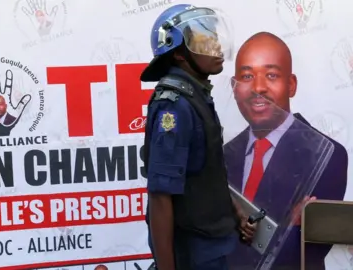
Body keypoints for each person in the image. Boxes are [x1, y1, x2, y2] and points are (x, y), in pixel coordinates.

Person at [141, 4, 256, 270]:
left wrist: (234, 212)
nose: (216, 46)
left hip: (211, 247)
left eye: (215, 38)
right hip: (194, 255)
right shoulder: (175, 106)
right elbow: (160, 196)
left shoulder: (196, 95)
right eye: (205, 41)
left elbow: (203, 173)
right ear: (179, 53)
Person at [224, 31, 348, 270]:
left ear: (291, 85)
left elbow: (310, 249)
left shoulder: (327, 155)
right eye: (247, 76)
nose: (258, 87)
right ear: (234, 87)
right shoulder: (223, 156)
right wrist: (288, 222)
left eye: (271, 75)